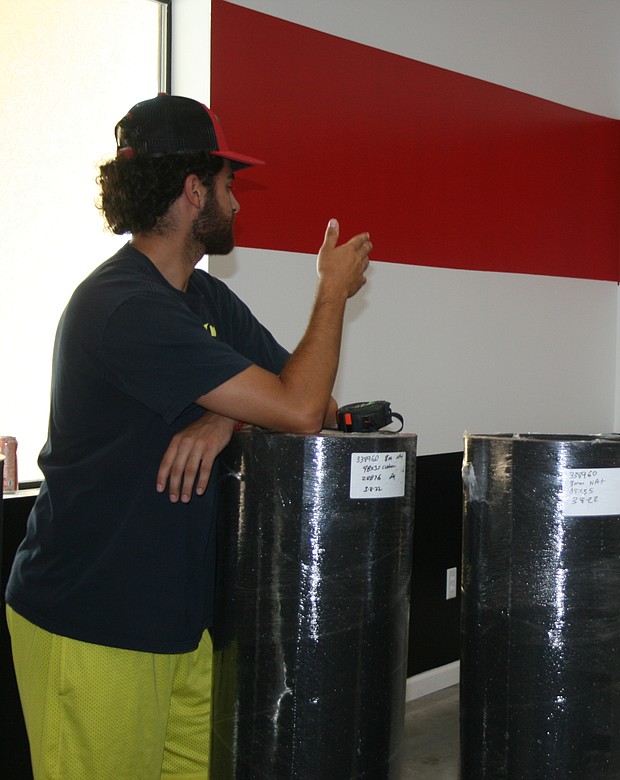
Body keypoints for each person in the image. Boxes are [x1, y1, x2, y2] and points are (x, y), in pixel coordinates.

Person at [5, 94, 372, 779]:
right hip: (94, 622)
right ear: (192, 189)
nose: (235, 203)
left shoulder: (203, 301)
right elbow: (293, 410)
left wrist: (225, 414)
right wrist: (330, 295)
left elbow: (316, 403)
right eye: (228, 186)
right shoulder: (125, 308)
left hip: (179, 626)